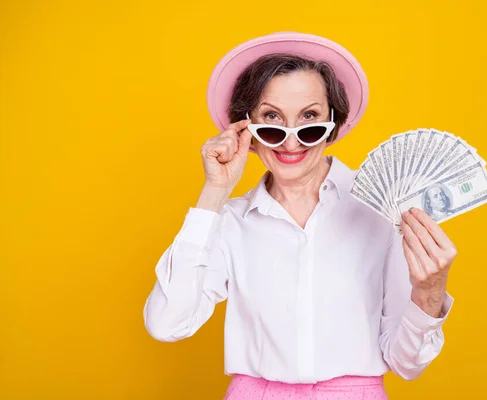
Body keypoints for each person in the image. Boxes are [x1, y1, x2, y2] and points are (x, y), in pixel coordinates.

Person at [143, 32, 457, 399]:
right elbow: (166, 324)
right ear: (249, 131)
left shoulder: (382, 210)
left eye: (309, 118)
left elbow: (407, 363)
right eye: (272, 119)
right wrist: (214, 191)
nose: (291, 142)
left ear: (333, 125)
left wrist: (430, 291)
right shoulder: (230, 221)